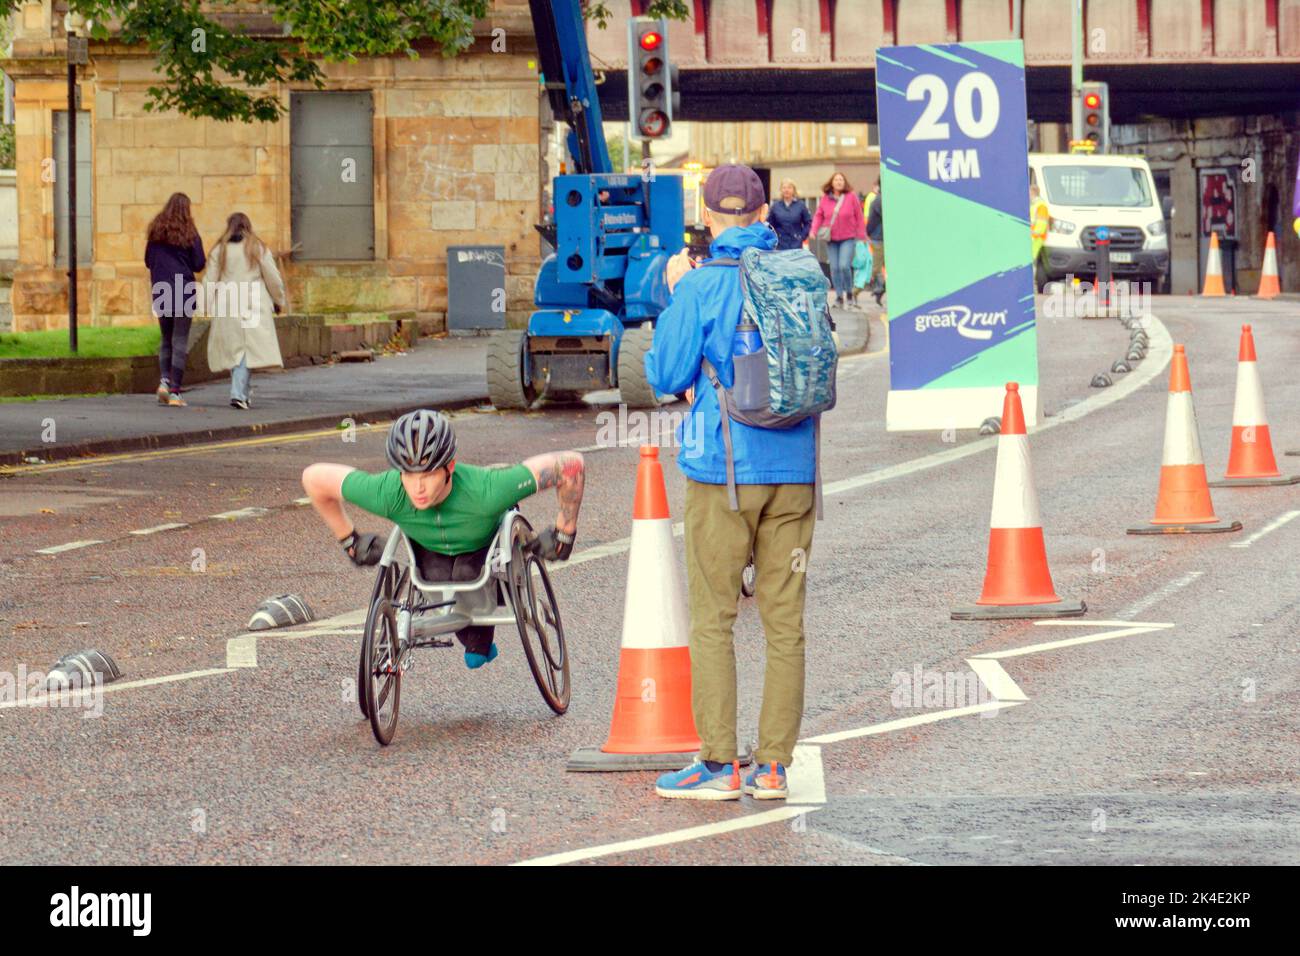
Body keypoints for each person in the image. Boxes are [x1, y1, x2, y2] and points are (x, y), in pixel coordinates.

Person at [645, 164, 817, 801]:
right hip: (796, 469)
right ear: (766, 211)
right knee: (785, 624)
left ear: (708, 215)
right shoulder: (803, 275)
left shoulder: (699, 286)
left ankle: (719, 765)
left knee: (714, 620)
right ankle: (774, 766)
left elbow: (665, 373)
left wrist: (674, 292)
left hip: (724, 470)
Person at [301, 410, 585, 669]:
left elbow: (570, 465)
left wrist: (564, 532)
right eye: (408, 475)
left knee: (465, 574)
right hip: (429, 552)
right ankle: (475, 638)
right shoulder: (388, 492)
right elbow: (314, 478)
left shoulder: (487, 490)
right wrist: (349, 540)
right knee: (435, 574)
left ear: (450, 466)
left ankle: (479, 638)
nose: (417, 487)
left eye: (428, 474)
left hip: (484, 550)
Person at [204, 212, 287, 410]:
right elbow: (273, 277)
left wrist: (205, 305)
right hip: (253, 303)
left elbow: (210, 279)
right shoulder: (257, 247)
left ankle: (243, 392)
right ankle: (238, 393)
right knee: (245, 348)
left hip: (228, 302)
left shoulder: (220, 249)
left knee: (237, 348)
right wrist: (278, 299)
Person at [145, 193, 205, 407]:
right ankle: (175, 392)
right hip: (183, 289)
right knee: (180, 339)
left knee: (166, 338)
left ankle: (164, 382)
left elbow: (147, 261)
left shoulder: (155, 232)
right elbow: (199, 263)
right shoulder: (190, 233)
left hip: (161, 289)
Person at [809, 171, 866, 309]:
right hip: (832, 238)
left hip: (848, 237)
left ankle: (849, 293)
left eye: (841, 180)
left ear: (844, 183)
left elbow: (859, 216)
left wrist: (861, 236)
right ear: (832, 183)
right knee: (834, 268)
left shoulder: (851, 197)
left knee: (844, 266)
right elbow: (818, 216)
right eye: (836, 180)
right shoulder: (825, 199)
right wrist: (814, 230)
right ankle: (839, 297)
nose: (839, 182)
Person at [766, 178, 812, 251]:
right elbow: (769, 225)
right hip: (780, 244)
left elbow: (808, 222)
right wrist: (773, 237)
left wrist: (802, 236)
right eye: (784, 188)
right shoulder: (775, 206)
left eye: (789, 187)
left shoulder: (801, 205)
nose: (786, 190)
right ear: (781, 190)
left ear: (794, 190)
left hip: (796, 244)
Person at [865, 178, 885, 305]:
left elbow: (871, 221)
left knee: (877, 267)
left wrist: (868, 233)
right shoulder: (880, 199)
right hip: (880, 238)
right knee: (878, 267)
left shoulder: (877, 199)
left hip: (878, 237)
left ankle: (879, 288)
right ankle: (879, 288)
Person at [1029, 183, 1050, 273]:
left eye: (1029, 192)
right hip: (1034, 236)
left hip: (1036, 237)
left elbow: (1042, 223)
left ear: (1032, 192)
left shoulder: (1041, 205)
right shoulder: (1035, 204)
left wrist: (1034, 235)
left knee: (1031, 259)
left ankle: (1030, 279)